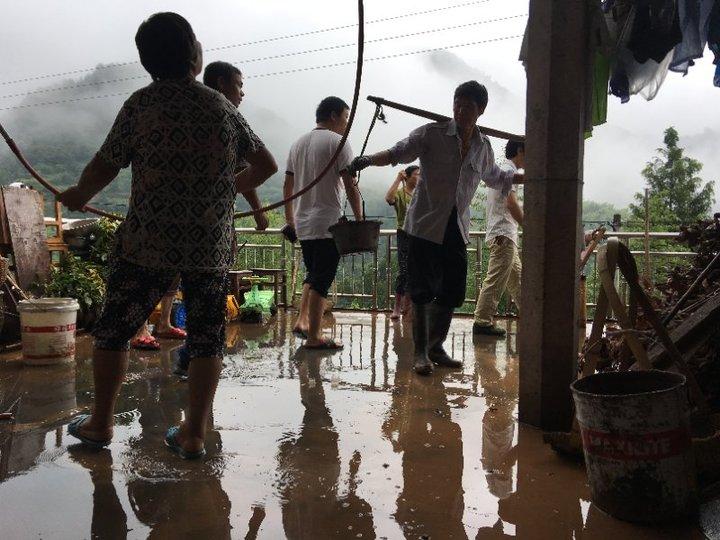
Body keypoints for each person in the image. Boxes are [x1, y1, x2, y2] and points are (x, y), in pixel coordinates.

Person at [59, 12, 277, 458]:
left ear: (146, 62)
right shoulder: (221, 108)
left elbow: (106, 163)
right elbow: (266, 165)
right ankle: (193, 433)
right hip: (208, 245)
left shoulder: (141, 104)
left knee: (115, 329)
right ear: (195, 56)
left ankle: (100, 424)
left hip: (147, 241)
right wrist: (218, 191)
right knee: (206, 337)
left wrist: (80, 192)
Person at [349, 81, 524, 376]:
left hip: (456, 227)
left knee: (453, 290)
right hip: (424, 225)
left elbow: (496, 177)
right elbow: (397, 152)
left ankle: (436, 346)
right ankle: (419, 353)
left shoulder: (483, 148)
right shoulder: (432, 134)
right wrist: (366, 160)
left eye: (468, 106)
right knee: (420, 290)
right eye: (457, 103)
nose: (460, 110)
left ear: (480, 111)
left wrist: (537, 175)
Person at [284, 96, 363, 350]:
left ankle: (302, 321)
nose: (346, 124)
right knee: (322, 279)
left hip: (304, 224)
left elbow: (288, 185)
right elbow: (350, 184)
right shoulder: (337, 142)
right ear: (333, 116)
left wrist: (290, 220)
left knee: (313, 274)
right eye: (345, 118)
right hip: (328, 223)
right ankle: (315, 337)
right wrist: (359, 219)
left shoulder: (298, 144)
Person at [473, 140, 524, 336]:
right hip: (503, 233)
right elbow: (511, 203)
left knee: (518, 280)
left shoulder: (505, 170)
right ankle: (482, 322)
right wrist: (527, 225)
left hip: (505, 233)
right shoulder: (508, 171)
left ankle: (530, 314)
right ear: (519, 151)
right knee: (495, 280)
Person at [385, 165, 419, 319]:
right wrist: (398, 179)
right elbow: (389, 198)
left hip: (419, 235)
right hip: (404, 234)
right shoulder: (400, 194)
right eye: (417, 174)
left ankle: (409, 305)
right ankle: (397, 307)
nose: (420, 177)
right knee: (404, 270)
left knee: (417, 270)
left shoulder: (421, 195)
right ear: (408, 176)